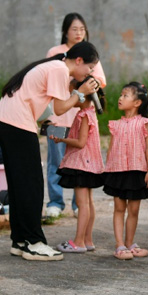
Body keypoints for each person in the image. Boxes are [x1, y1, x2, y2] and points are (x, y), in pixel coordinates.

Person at [0, 41, 100, 261]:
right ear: (79, 60)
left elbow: (43, 102)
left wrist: (46, 121)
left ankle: (20, 240)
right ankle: (34, 243)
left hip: (7, 121)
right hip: (17, 124)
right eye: (90, 68)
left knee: (20, 184)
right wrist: (80, 93)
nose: (89, 73)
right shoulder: (59, 69)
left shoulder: (54, 66)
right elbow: (60, 108)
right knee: (31, 184)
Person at [45, 13, 108, 218]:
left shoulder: (89, 53)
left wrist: (84, 82)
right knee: (56, 161)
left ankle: (77, 204)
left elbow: (100, 80)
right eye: (74, 29)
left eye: (82, 29)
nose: (79, 32)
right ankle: (55, 202)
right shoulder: (55, 53)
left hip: (77, 116)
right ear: (65, 31)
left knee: (78, 163)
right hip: (58, 116)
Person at [103, 82, 148, 260]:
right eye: (121, 95)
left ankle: (129, 243)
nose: (120, 98)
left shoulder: (145, 123)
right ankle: (119, 245)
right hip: (117, 171)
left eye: (125, 95)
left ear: (137, 103)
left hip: (137, 170)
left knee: (133, 210)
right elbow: (111, 149)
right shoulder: (115, 125)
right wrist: (107, 170)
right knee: (119, 208)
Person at [53, 83, 106, 254]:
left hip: (81, 164)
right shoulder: (90, 113)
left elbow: (81, 142)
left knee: (82, 204)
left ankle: (78, 242)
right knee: (88, 203)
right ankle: (87, 240)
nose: (70, 98)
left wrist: (62, 139)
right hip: (89, 164)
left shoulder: (84, 115)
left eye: (73, 94)